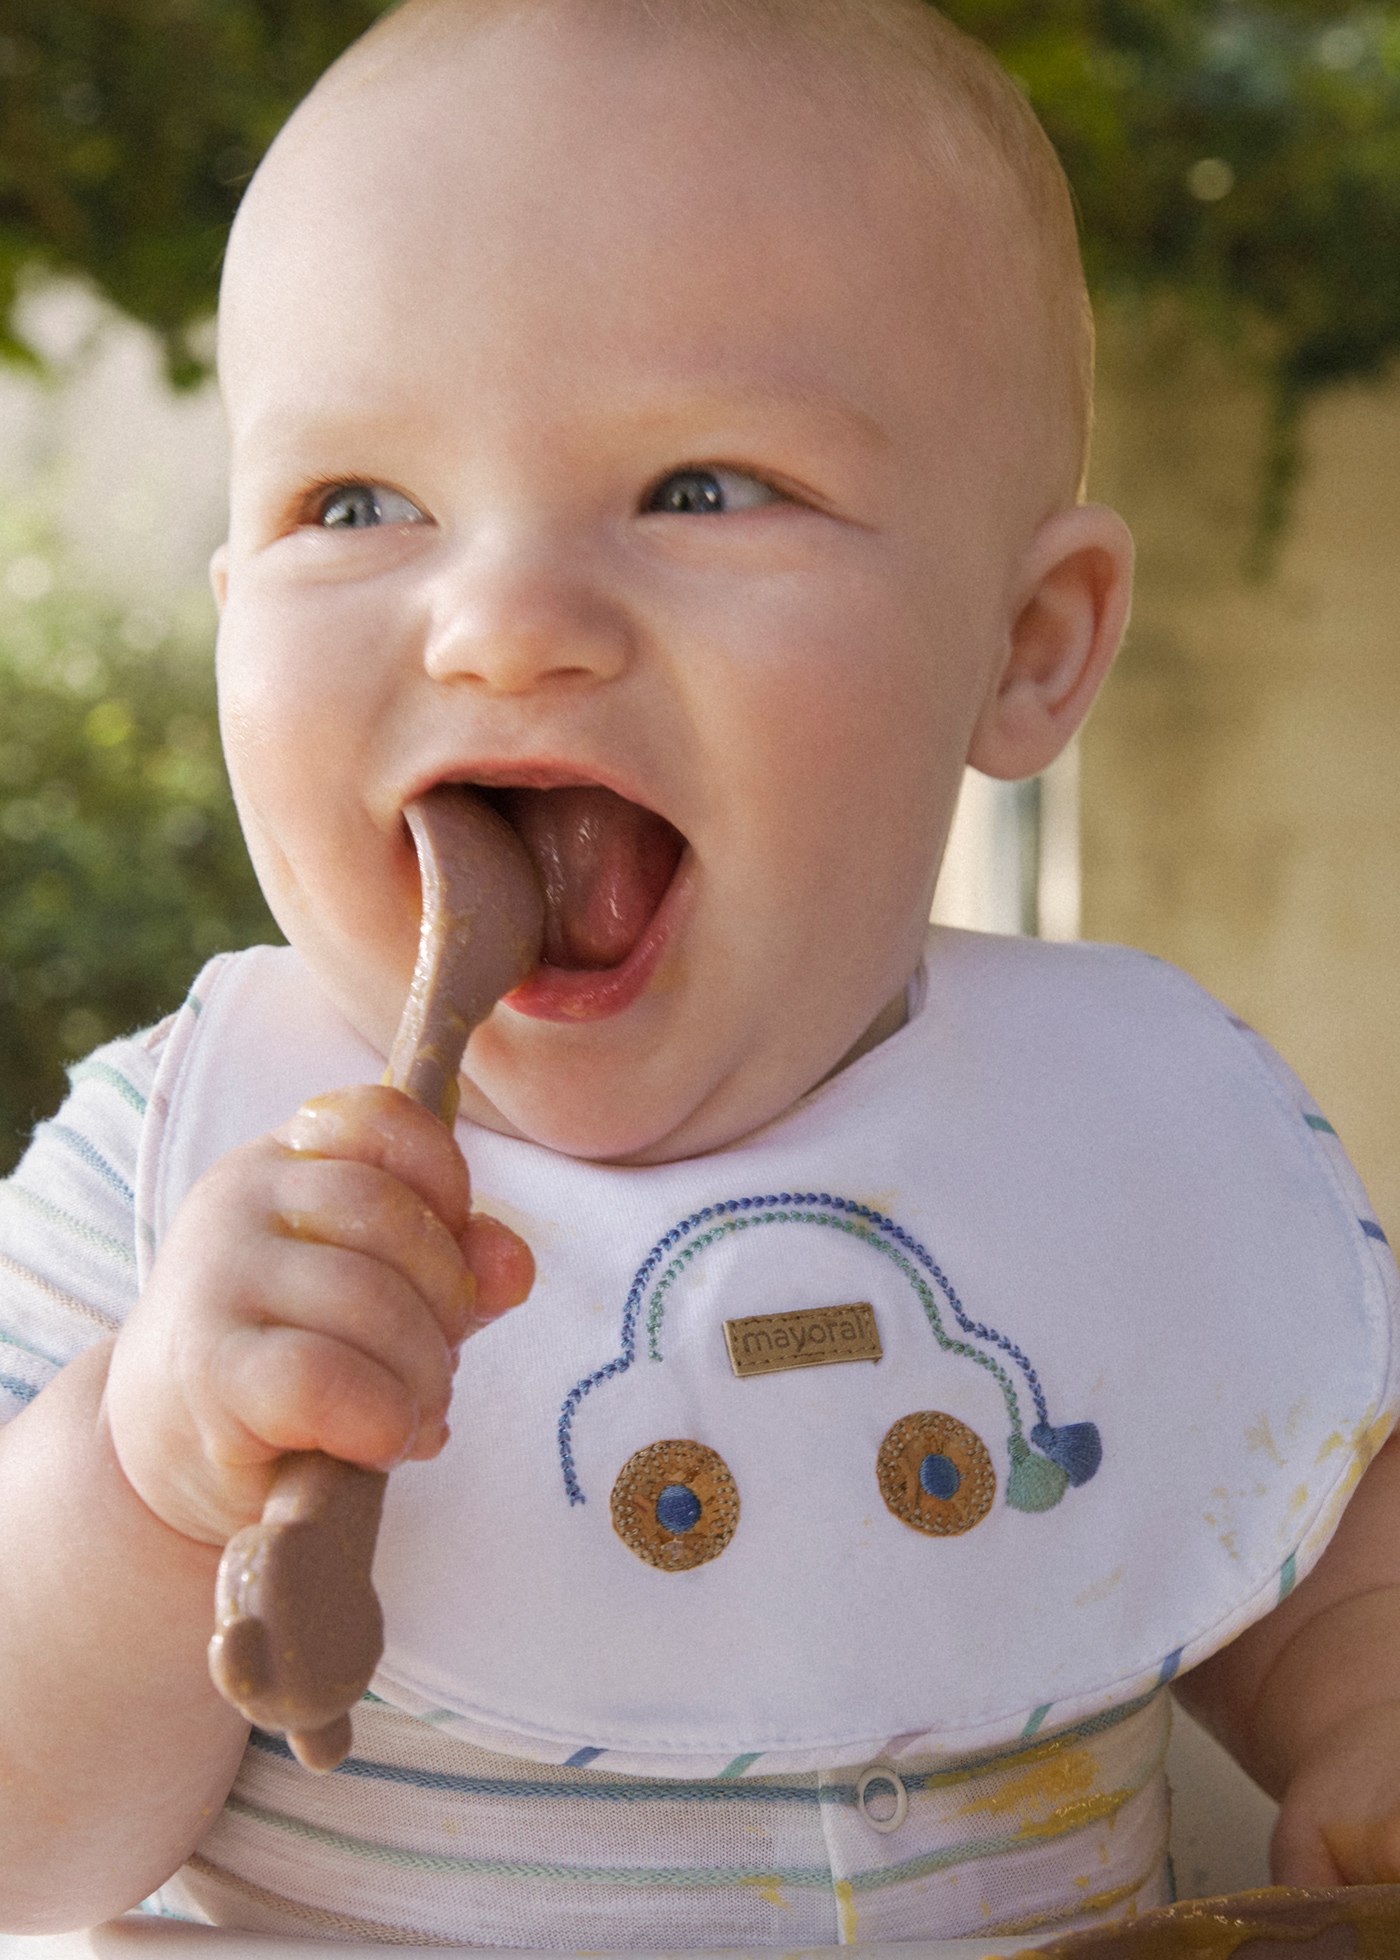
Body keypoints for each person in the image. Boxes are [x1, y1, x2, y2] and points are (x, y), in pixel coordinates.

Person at [2, 0, 1399, 1945]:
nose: (500, 623)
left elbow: (1300, 1522)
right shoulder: (165, 1191)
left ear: (1024, 645)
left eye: (701, 486)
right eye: (356, 504)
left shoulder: (1119, 1147)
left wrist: (1361, 1720)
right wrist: (149, 1477)